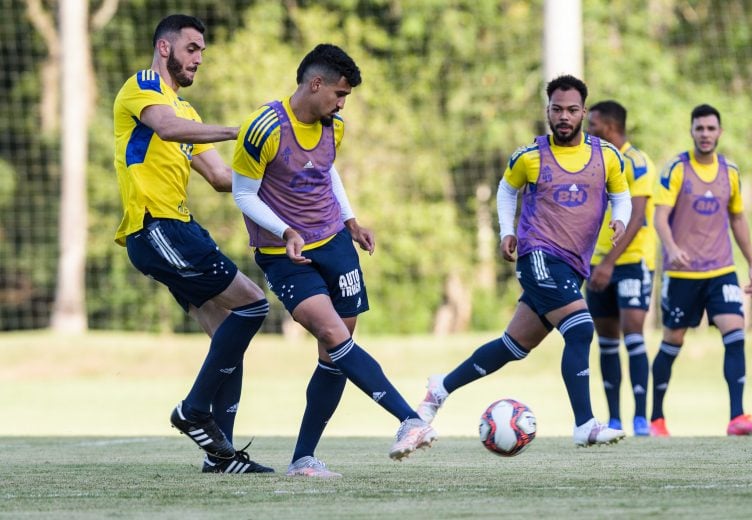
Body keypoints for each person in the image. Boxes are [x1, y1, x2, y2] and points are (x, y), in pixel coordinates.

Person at [231, 43, 436, 478]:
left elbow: (327, 171)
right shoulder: (262, 128)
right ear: (315, 83)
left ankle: (303, 457)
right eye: (339, 94)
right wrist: (286, 231)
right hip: (285, 254)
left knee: (333, 355)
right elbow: (243, 192)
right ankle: (410, 418)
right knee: (332, 331)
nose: (342, 104)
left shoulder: (333, 127)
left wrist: (351, 220)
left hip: (336, 243)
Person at [416, 75, 631, 446]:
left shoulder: (606, 156)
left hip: (572, 265)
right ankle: (585, 424)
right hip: (539, 256)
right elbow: (505, 189)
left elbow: (621, 194)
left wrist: (620, 218)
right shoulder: (530, 156)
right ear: (548, 111)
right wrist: (505, 232)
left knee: (513, 347)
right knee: (580, 328)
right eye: (557, 109)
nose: (564, 116)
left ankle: (441, 387)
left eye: (572, 110)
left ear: (583, 112)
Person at [113, 14, 274, 473]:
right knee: (254, 305)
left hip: (178, 230)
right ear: (165, 49)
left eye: (201, 51)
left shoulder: (191, 114)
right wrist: (237, 130)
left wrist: (275, 161)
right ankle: (192, 410)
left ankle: (218, 457)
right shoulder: (143, 87)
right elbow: (165, 128)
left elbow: (224, 179)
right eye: (192, 48)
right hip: (157, 228)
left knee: (229, 338)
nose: (199, 59)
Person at [649, 104, 752, 437]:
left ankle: (737, 418)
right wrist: (672, 249)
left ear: (720, 132)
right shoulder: (676, 169)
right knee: (672, 342)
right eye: (699, 128)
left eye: (711, 128)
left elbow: (738, 218)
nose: (705, 134)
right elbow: (660, 216)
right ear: (691, 131)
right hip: (683, 275)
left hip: (721, 271)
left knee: (736, 334)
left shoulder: (730, 171)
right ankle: (656, 419)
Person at [585, 101, 657, 436]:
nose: (588, 130)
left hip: (631, 263)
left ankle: (640, 417)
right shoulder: (596, 161)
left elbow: (638, 216)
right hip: (596, 264)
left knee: (633, 333)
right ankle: (614, 418)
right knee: (607, 341)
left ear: (611, 127)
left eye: (593, 124)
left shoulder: (636, 162)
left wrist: (609, 264)